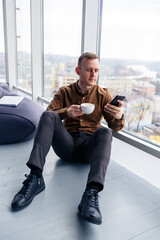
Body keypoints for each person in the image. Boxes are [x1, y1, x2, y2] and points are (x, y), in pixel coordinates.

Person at [11, 52, 125, 225]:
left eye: (96, 70)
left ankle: (91, 194)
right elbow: (47, 115)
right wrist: (66, 112)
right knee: (49, 116)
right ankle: (35, 178)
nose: (93, 74)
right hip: (66, 145)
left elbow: (115, 127)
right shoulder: (65, 92)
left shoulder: (103, 95)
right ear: (78, 70)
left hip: (88, 148)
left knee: (105, 132)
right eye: (89, 70)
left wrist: (118, 115)